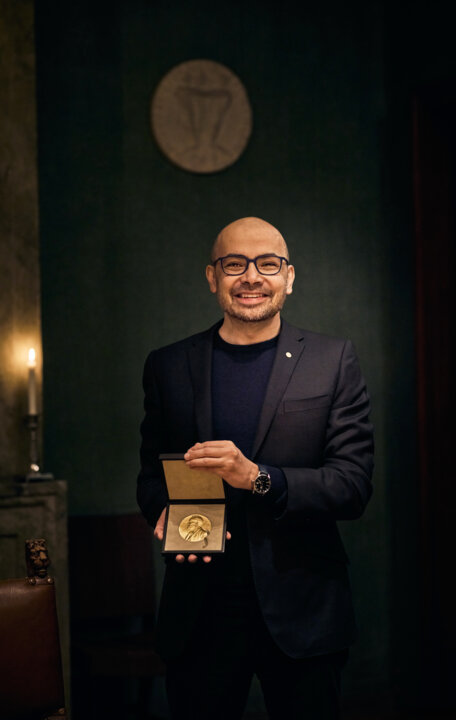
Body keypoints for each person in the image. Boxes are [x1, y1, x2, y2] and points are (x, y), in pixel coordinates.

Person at [137, 217, 374, 719]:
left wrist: (258, 477)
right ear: (211, 276)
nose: (251, 276)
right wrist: (163, 510)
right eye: (233, 264)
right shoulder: (167, 365)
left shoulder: (333, 361)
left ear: (289, 276)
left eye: (268, 263)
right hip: (198, 609)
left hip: (305, 608)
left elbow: (352, 486)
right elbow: (150, 478)